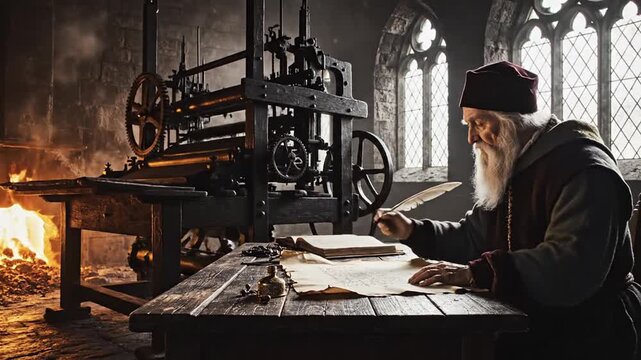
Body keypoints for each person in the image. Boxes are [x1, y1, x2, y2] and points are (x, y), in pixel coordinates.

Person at [375, 61, 641, 360]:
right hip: (531, 319)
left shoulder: (585, 169)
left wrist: (474, 274)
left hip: (589, 332)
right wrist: (412, 230)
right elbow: (473, 237)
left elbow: (568, 267)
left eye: (480, 123)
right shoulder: (515, 163)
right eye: (469, 125)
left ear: (513, 121)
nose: (471, 138)